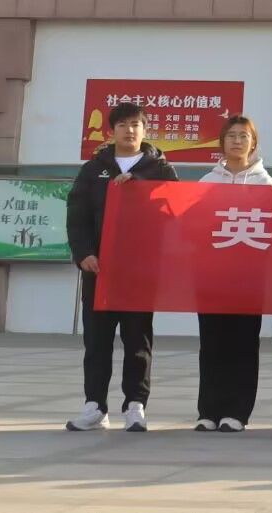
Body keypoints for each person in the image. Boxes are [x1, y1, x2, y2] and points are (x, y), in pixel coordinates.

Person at [64, 100, 177, 432]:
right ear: (111, 131)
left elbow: (174, 214)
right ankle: (95, 406)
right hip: (99, 271)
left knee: (137, 341)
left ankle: (135, 405)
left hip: (139, 273)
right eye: (123, 125)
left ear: (145, 130)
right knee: (97, 341)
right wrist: (84, 253)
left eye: (136, 124)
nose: (130, 130)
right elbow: (77, 216)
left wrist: (138, 183)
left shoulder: (160, 170)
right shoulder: (93, 169)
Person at [195, 115, 272, 432]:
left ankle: (237, 411)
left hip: (249, 280)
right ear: (222, 142)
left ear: (253, 143)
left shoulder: (266, 184)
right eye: (232, 136)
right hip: (211, 277)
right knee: (212, 343)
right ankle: (208, 410)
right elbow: (194, 228)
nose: (238, 141)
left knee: (243, 343)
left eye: (244, 136)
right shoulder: (206, 182)